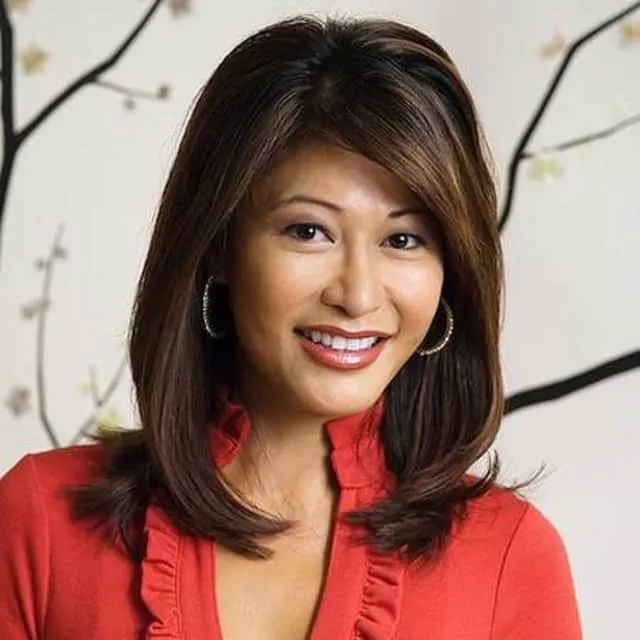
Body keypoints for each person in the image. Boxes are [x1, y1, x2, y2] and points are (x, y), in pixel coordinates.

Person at [0, 15, 582, 639]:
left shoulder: (511, 560)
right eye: (309, 231)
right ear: (219, 246)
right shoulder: (41, 523)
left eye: (403, 239)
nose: (358, 295)